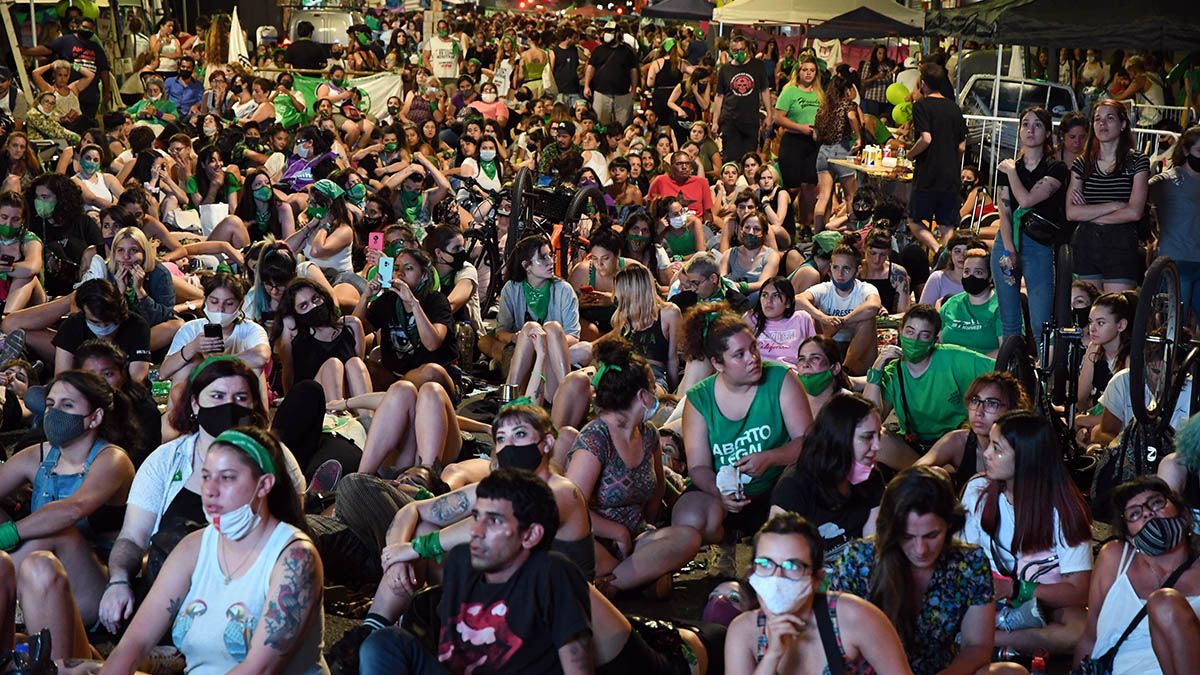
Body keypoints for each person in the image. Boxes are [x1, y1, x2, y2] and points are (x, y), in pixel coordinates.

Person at [98, 426, 327, 674]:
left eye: (227, 477)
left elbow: (258, 669)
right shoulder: (193, 547)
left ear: (264, 485)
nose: (210, 490)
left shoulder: (295, 558)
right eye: (206, 476)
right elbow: (135, 643)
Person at [359, 469, 595, 674]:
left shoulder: (552, 572)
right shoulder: (461, 561)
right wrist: (399, 555)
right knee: (384, 643)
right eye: (476, 517)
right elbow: (450, 652)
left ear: (531, 535)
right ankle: (369, 629)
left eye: (494, 521)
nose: (475, 531)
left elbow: (577, 666)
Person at [828, 467, 1022, 675]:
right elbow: (835, 646)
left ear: (949, 525)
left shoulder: (969, 563)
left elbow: (977, 646)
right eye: (908, 536)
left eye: (932, 535)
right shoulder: (858, 560)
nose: (921, 549)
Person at [0, 370, 138, 659]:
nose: (55, 413)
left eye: (67, 405)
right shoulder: (39, 455)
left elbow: (73, 509)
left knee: (58, 529)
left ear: (94, 417)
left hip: (97, 586)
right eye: (51, 404)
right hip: (39, 577)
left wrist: (9, 533)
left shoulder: (112, 459)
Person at [670, 304, 812, 573]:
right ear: (717, 363)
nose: (753, 358)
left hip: (777, 488)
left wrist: (771, 458)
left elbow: (807, 442)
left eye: (754, 348)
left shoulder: (781, 378)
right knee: (688, 516)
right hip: (723, 494)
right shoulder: (699, 399)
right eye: (739, 354)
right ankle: (725, 542)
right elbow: (698, 466)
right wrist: (720, 492)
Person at [566, 338, 702, 596]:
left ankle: (613, 584)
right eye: (653, 387)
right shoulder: (596, 438)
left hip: (635, 537)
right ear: (642, 396)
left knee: (688, 538)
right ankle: (632, 579)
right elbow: (571, 509)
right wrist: (617, 532)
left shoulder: (649, 434)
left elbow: (657, 489)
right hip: (593, 539)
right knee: (573, 547)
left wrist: (641, 529)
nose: (657, 393)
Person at [962, 411, 1093, 656]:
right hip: (986, 596)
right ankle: (1005, 643)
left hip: (1042, 600)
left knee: (1080, 630)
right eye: (989, 444)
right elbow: (963, 557)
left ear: (1026, 458)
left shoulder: (1064, 509)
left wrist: (1015, 589)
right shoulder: (977, 489)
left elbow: (1078, 590)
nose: (986, 454)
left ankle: (987, 641)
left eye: (997, 448)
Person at [724, 513, 913, 675]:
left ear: (817, 579)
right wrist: (772, 656)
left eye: (793, 566)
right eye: (765, 564)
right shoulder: (743, 631)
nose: (777, 577)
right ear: (752, 572)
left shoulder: (855, 617)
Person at [1074, 477, 1200, 674]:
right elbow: (1090, 637)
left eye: (1156, 503)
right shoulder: (1116, 557)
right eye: (1134, 513)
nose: (1148, 513)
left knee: (1165, 603)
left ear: (1184, 515)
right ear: (1130, 538)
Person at [864, 304, 994, 466]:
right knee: (874, 437)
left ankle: (925, 473)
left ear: (934, 340)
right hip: (913, 445)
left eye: (924, 335)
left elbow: (1001, 369)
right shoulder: (893, 371)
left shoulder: (953, 357)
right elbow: (871, 419)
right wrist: (877, 369)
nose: (915, 340)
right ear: (900, 332)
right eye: (910, 332)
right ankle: (926, 473)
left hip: (955, 443)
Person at [769, 393, 885, 562]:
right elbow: (776, 558)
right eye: (867, 437)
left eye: (879, 435)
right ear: (838, 437)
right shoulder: (793, 487)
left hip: (853, 571)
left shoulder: (872, 477)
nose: (877, 446)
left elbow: (872, 549)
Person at [992, 106, 1070, 350]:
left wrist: (1012, 171)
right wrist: (1008, 250)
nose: (1030, 130)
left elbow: (1026, 200)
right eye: (1025, 124)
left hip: (1039, 245)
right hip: (1006, 241)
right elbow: (1004, 212)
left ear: (1047, 132)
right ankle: (1011, 369)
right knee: (1010, 322)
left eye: (1037, 125)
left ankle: (1046, 370)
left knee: (1040, 322)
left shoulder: (1055, 168)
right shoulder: (1006, 168)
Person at [480, 236, 581, 404]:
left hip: (555, 352)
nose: (550, 262)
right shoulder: (512, 288)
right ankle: (510, 395)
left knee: (553, 330)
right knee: (493, 339)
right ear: (526, 266)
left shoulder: (563, 290)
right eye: (543, 258)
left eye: (550, 256)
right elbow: (501, 331)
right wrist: (517, 337)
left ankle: (563, 396)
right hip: (525, 348)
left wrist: (543, 342)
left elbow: (573, 336)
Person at [1066, 100, 1149, 293]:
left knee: (1116, 305)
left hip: (1121, 242)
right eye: (1097, 119)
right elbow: (1071, 212)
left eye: (1109, 118)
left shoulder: (1137, 161)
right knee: (1085, 304)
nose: (1102, 123)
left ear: (1123, 124)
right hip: (1086, 241)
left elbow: (1134, 212)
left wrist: (1088, 213)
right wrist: (1116, 205)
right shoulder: (1083, 163)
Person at [356, 247, 458, 393]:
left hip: (427, 378)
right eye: (397, 268)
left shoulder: (436, 300)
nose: (400, 273)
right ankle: (388, 397)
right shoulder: (388, 300)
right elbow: (354, 330)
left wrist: (413, 303)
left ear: (424, 275)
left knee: (431, 371)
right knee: (356, 365)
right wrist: (366, 297)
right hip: (394, 376)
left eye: (409, 268)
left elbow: (432, 344)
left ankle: (391, 396)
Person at [915, 371, 1031, 492]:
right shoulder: (958, 441)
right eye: (975, 401)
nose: (978, 412)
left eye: (992, 404)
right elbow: (915, 472)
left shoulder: (1025, 447)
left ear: (1013, 409)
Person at [161, 273, 271, 384]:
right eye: (214, 302)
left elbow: (261, 356)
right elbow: (164, 373)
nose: (220, 308)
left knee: (257, 370)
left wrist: (213, 362)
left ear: (240, 304)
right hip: (200, 388)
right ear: (205, 301)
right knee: (188, 366)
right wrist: (192, 347)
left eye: (229, 303)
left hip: (238, 387)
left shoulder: (251, 329)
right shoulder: (191, 329)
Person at [905, 63, 967, 252]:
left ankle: (936, 249)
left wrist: (910, 154)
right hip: (950, 176)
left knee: (914, 220)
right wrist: (952, 161)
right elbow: (962, 147)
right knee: (946, 225)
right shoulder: (954, 108)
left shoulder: (921, 106)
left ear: (923, 84)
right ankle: (946, 256)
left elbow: (926, 138)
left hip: (928, 174)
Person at [275, 278, 369, 403]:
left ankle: (366, 414)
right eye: (304, 306)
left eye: (315, 299)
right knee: (333, 365)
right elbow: (288, 372)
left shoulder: (351, 325)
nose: (313, 306)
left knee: (355, 363)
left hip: (348, 398)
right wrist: (289, 403)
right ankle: (336, 413)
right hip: (312, 399)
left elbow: (358, 371)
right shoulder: (295, 333)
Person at [795, 244, 881, 375]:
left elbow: (873, 306)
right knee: (807, 315)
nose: (840, 274)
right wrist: (824, 318)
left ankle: (845, 372)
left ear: (857, 270)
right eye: (836, 267)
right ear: (830, 268)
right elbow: (798, 300)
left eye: (846, 268)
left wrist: (842, 321)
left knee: (868, 320)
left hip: (858, 351)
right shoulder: (824, 288)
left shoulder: (865, 288)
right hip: (827, 343)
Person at [1149, 126, 1200, 326]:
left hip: (1195, 260)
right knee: (1173, 324)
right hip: (1177, 261)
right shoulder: (1167, 181)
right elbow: (1140, 201)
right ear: (1186, 150)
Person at [812, 75, 862, 232]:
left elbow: (815, 135)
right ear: (846, 90)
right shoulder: (848, 105)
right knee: (850, 196)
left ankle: (818, 234)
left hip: (823, 152)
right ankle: (851, 231)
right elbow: (851, 117)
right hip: (841, 151)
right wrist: (858, 137)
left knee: (823, 197)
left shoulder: (823, 109)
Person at [714, 34, 771, 171]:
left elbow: (764, 90)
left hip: (750, 120)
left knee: (750, 160)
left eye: (741, 50)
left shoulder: (758, 66)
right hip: (730, 120)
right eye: (735, 50)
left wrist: (769, 114)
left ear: (747, 49)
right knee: (730, 159)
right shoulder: (725, 69)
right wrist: (715, 121)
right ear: (730, 51)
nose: (738, 53)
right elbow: (719, 96)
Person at [938, 247, 1002, 356]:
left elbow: (1005, 351)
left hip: (985, 365)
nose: (971, 276)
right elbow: (936, 341)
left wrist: (970, 364)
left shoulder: (1002, 307)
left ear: (990, 277)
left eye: (978, 272)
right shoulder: (951, 304)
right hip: (948, 364)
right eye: (966, 271)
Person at [745, 276, 816, 372]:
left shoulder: (802, 318)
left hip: (793, 374)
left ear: (788, 302)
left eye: (776, 295)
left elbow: (814, 353)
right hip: (760, 373)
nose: (768, 300)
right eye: (764, 295)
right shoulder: (751, 319)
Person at [774, 56, 821, 197]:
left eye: (812, 70)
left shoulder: (819, 93)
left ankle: (806, 212)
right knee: (793, 187)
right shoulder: (789, 91)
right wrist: (800, 128)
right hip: (793, 142)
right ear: (798, 72)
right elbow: (778, 118)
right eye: (805, 70)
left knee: (810, 186)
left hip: (813, 143)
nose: (808, 73)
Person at [585, 20, 639, 127]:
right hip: (601, 93)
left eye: (611, 31)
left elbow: (633, 71)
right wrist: (587, 85)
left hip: (622, 94)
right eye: (606, 31)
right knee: (600, 123)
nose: (607, 34)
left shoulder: (627, 51)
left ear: (618, 33)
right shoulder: (598, 50)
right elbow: (591, 67)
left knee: (623, 124)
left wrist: (633, 89)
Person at [721, 210, 781, 300]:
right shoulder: (729, 254)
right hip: (730, 299)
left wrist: (740, 286)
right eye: (747, 228)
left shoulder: (771, 256)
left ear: (764, 233)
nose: (751, 232)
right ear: (741, 230)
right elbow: (722, 279)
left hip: (757, 302)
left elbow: (764, 283)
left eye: (756, 229)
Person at [859, 229, 912, 315]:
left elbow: (903, 313)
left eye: (882, 255)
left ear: (888, 253)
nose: (877, 259)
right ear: (864, 248)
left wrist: (886, 318)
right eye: (873, 253)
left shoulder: (898, 273)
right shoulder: (855, 270)